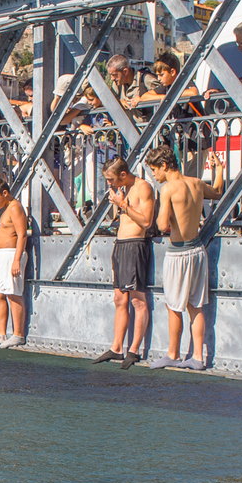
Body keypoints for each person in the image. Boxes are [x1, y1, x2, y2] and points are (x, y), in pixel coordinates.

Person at [146, 145, 224, 370]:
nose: (154, 175)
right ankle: (198, 357)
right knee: (196, 305)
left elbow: (161, 224)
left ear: (163, 165)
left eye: (154, 169)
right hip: (198, 249)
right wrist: (218, 169)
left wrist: (169, 220)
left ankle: (173, 353)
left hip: (178, 251)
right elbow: (217, 192)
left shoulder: (168, 188)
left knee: (173, 305)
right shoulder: (197, 183)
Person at [92, 157, 155, 369]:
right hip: (121, 244)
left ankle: (134, 349)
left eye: (111, 179)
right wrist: (120, 205)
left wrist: (122, 206)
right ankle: (116, 347)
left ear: (122, 174)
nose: (109, 183)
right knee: (119, 298)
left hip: (136, 244)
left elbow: (146, 221)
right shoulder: (123, 189)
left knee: (138, 299)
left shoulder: (143, 187)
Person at [0, 177, 29, 347]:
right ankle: (1, 333)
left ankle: (18, 334)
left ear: (5, 193)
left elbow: (22, 234)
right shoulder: (6, 208)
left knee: (13, 293)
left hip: (12, 255)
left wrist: (17, 259)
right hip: (3, 255)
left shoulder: (15, 207)